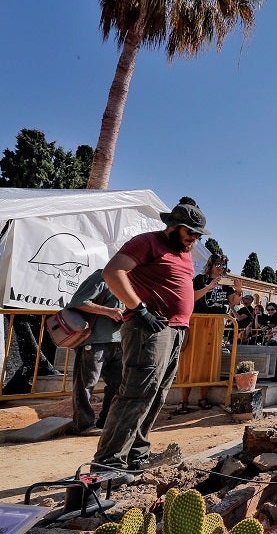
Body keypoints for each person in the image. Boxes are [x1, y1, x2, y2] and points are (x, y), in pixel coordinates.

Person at [93, 199, 205, 486]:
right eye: (190, 232)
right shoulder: (147, 242)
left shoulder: (185, 252)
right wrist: (138, 309)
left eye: (198, 234)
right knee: (137, 392)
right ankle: (108, 462)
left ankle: (136, 455)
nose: (195, 238)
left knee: (157, 394)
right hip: (150, 329)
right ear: (174, 227)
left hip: (176, 329)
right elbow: (113, 272)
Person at [181, 253, 241, 412]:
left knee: (209, 361)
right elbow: (191, 298)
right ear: (211, 264)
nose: (220, 268)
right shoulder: (200, 279)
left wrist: (239, 290)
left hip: (216, 325)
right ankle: (184, 401)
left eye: (223, 265)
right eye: (218, 264)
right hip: (198, 323)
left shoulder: (225, 284)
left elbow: (233, 301)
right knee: (190, 360)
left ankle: (202, 398)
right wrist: (209, 287)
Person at [68, 268, 124, 434]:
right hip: (94, 340)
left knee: (118, 384)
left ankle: (106, 422)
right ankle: (83, 425)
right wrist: (109, 311)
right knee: (86, 384)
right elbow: (78, 301)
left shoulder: (133, 280)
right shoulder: (103, 275)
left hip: (118, 341)